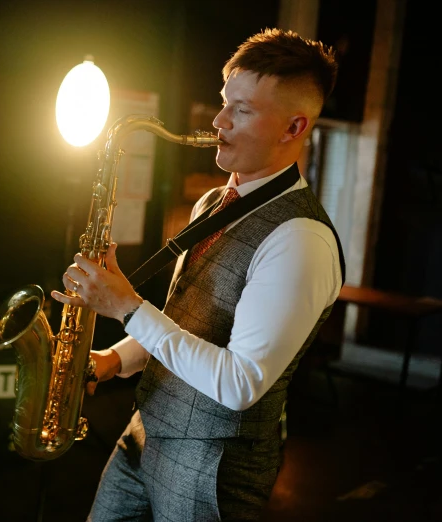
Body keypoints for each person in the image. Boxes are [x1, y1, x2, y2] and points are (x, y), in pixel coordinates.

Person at [50, 28, 345, 522]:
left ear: (293, 128)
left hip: (213, 464)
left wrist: (126, 307)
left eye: (243, 110)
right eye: (224, 102)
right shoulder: (213, 203)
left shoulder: (300, 240)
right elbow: (183, 327)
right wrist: (110, 362)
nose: (218, 121)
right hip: (145, 432)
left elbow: (239, 384)